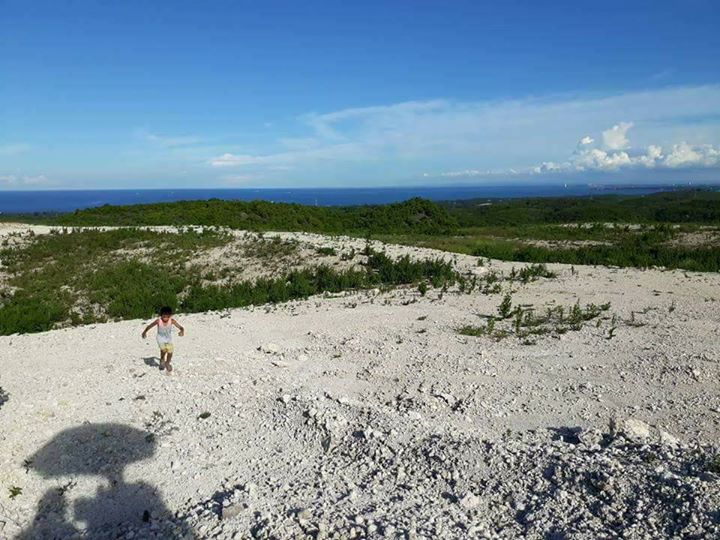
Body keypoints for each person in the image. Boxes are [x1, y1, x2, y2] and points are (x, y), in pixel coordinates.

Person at [142, 306, 185, 373]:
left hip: (168, 339)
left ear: (170, 316)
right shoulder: (158, 321)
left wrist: (182, 331)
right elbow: (149, 326)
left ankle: (167, 363)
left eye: (168, 317)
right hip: (160, 338)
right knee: (164, 349)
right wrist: (144, 332)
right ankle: (162, 359)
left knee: (170, 352)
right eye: (164, 316)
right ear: (161, 315)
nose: (166, 318)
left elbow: (181, 327)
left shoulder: (172, 321)